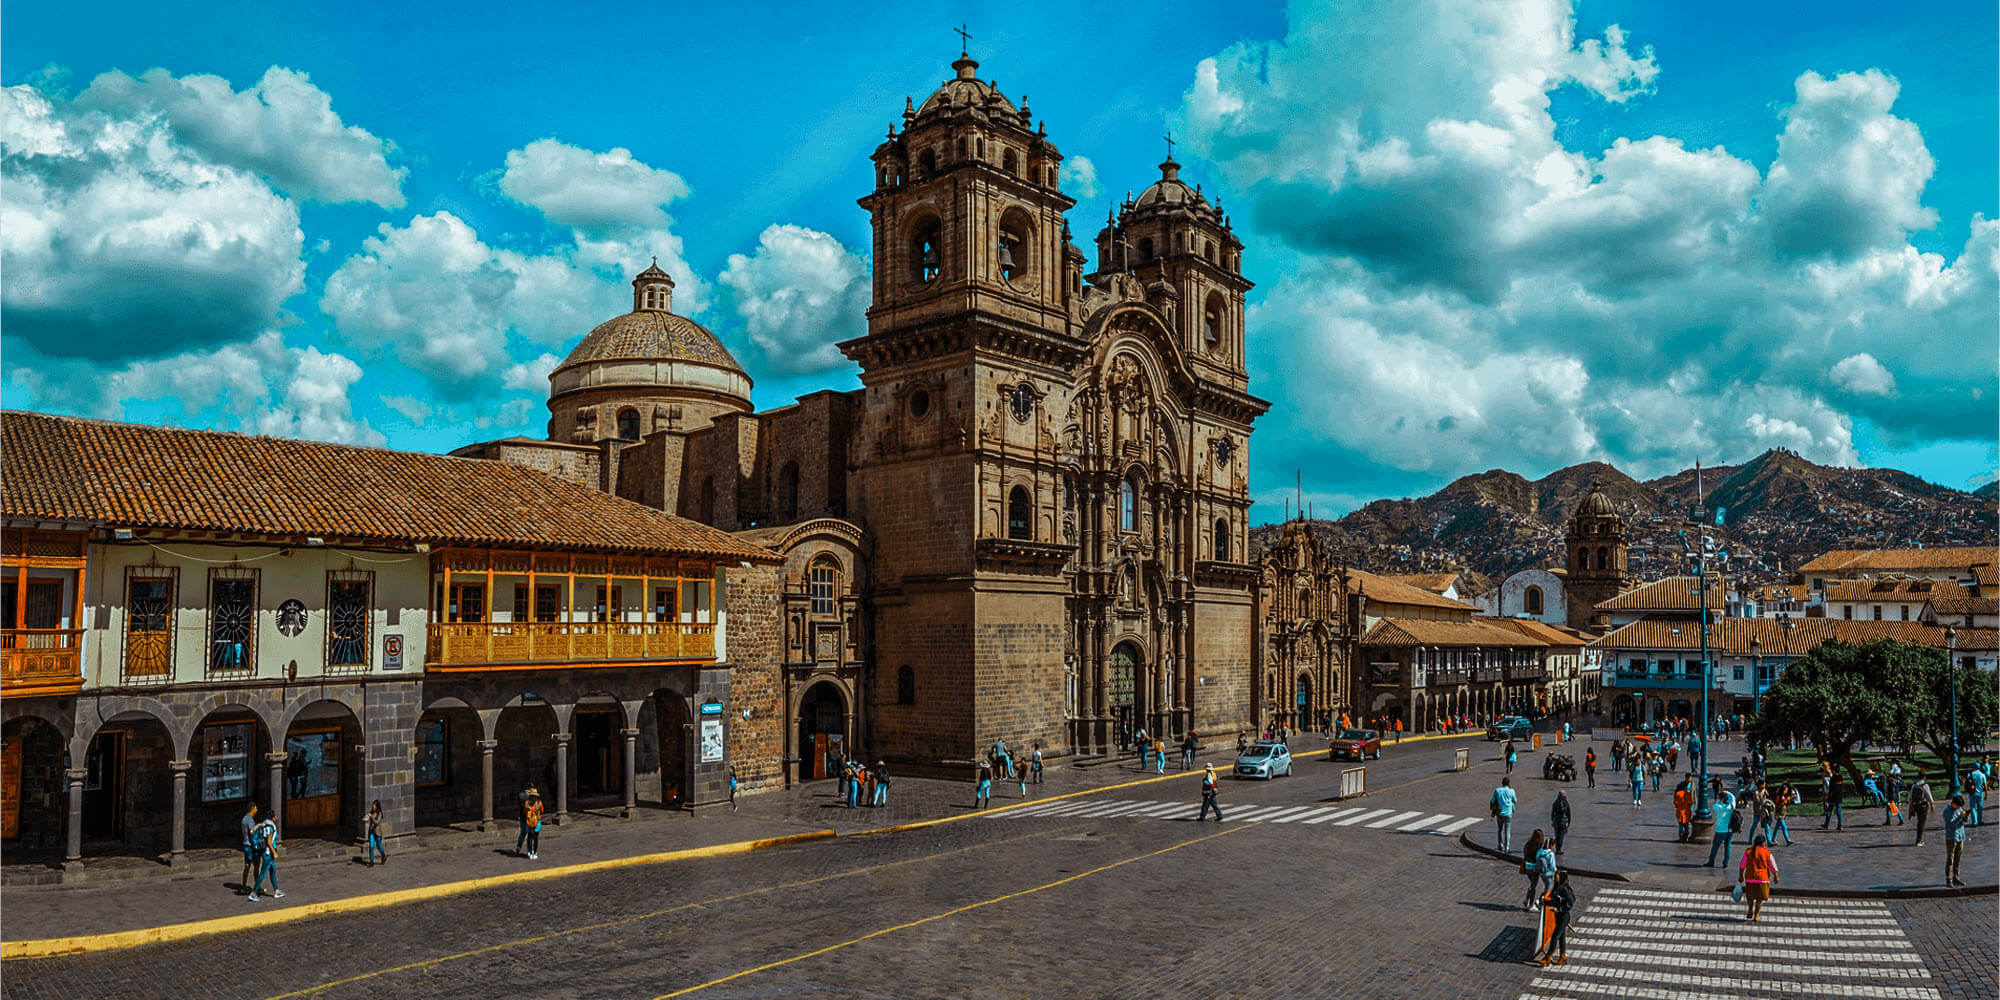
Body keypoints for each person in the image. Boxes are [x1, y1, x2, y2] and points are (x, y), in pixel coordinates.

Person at [1533, 870, 1575, 967]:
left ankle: (1548, 957)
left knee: (1555, 936)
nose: (1556, 877)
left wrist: (1559, 909)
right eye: (1556, 874)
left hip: (1563, 917)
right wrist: (1546, 901)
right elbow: (1554, 900)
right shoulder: (1557, 887)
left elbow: (1570, 903)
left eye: (1558, 875)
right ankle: (1563, 957)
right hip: (1558, 917)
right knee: (1561, 937)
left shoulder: (1565, 889)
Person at [1737, 832, 1777, 921]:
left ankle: (1750, 909)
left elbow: (1742, 865)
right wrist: (1776, 876)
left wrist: (1740, 876)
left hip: (1750, 878)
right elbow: (1773, 866)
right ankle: (1756, 915)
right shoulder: (1767, 852)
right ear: (1763, 843)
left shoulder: (1748, 851)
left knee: (1750, 896)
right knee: (1759, 898)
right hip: (1762, 879)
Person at [248, 812, 282, 901]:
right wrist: (274, 852)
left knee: (272, 871)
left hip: (265, 852)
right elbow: (269, 842)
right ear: (273, 817)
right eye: (275, 816)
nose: (276, 817)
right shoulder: (270, 827)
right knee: (263, 874)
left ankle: (277, 891)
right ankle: (254, 892)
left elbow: (252, 831)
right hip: (268, 853)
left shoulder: (264, 824)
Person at [1706, 781, 1738, 868]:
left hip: (1720, 830)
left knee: (1715, 846)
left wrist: (1720, 799)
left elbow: (1715, 805)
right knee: (1728, 846)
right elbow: (1733, 798)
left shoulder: (1718, 807)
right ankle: (1726, 863)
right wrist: (1727, 792)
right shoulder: (1731, 806)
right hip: (1729, 829)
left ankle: (1711, 861)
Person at [1523, 830, 1555, 911]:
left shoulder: (1528, 844)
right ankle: (1530, 903)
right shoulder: (1539, 847)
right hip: (1535, 868)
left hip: (1528, 867)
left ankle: (1527, 899)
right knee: (1533, 885)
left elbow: (1525, 856)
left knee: (1532, 884)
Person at [1943, 794, 1969, 886]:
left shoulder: (1959, 809)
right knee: (1950, 859)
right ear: (1953, 803)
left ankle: (1956, 878)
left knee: (1958, 859)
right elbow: (1951, 824)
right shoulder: (1947, 811)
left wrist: (1965, 816)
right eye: (1957, 805)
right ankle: (1949, 879)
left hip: (1960, 836)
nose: (1958, 807)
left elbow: (1963, 821)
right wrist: (1959, 817)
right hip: (1951, 837)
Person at [239, 801, 261, 894]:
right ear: (252, 808)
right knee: (256, 866)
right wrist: (259, 825)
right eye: (256, 808)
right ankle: (257, 886)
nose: (257, 809)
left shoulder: (244, 819)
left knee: (247, 865)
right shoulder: (250, 819)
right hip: (251, 846)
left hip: (245, 845)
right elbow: (252, 831)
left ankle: (243, 886)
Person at [1491, 777, 1518, 852]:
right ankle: (1507, 848)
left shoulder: (1497, 790)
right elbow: (1515, 800)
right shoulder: (1511, 791)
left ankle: (1501, 845)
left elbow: (1492, 800)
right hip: (1508, 813)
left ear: (1502, 783)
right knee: (1507, 831)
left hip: (1500, 813)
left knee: (1500, 830)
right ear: (1509, 783)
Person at [1910, 771, 1933, 846]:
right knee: (1922, 823)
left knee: (1919, 822)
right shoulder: (1925, 785)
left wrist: (1911, 807)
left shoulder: (1914, 785)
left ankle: (1919, 839)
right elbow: (1928, 795)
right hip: (1923, 805)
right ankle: (1919, 840)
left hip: (1916, 805)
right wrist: (1932, 804)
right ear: (1924, 777)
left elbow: (1911, 797)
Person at [521, 787, 544, 860]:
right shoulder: (538, 803)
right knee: (534, 838)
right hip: (535, 821)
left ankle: (531, 852)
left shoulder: (527, 803)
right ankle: (533, 852)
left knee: (531, 837)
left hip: (532, 821)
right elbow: (542, 811)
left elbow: (524, 812)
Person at [515, 784, 537, 855]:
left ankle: (520, 847)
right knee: (527, 834)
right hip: (527, 817)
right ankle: (526, 849)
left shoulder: (523, 795)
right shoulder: (527, 795)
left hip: (525, 817)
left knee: (524, 833)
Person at [364, 800, 387, 867]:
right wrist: (366, 817)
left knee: (379, 847)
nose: (373, 807)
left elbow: (377, 822)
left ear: (377, 806)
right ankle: (371, 862)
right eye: (372, 805)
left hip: (377, 833)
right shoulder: (371, 812)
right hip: (371, 832)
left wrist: (372, 817)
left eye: (374, 805)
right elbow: (368, 820)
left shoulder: (379, 813)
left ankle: (383, 856)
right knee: (371, 847)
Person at [1772, 781, 1795, 846]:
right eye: (1785, 790)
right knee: (1784, 827)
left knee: (1777, 827)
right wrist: (1784, 802)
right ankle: (1787, 840)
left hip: (1783, 813)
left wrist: (1788, 800)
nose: (1786, 791)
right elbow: (1777, 805)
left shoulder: (1785, 796)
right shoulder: (1779, 796)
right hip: (1779, 814)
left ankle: (1773, 838)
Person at [1673, 778, 1694, 843]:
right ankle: (1686, 837)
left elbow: (1675, 803)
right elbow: (1690, 803)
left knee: (1681, 825)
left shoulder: (1678, 794)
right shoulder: (1688, 794)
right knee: (1686, 825)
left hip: (1680, 812)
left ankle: (1681, 838)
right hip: (1687, 812)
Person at [1550, 791, 1571, 855]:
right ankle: (1558, 849)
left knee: (1557, 834)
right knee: (1561, 836)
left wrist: (1553, 820)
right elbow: (1569, 814)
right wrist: (1569, 823)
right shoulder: (1566, 803)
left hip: (1556, 821)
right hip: (1563, 822)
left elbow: (1552, 813)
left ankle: (1554, 845)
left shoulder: (1555, 803)